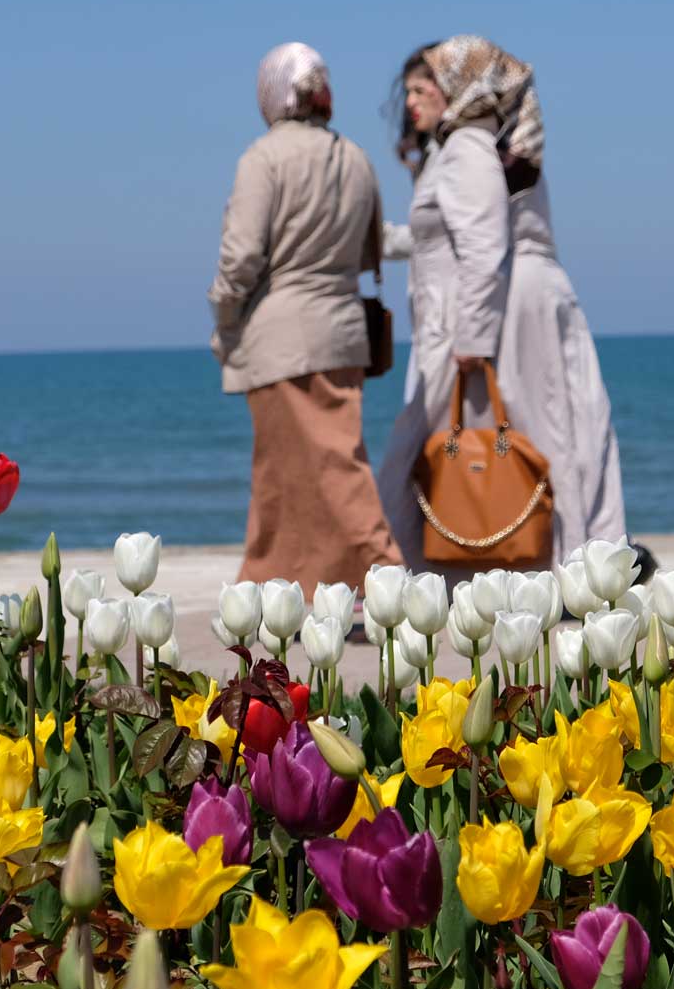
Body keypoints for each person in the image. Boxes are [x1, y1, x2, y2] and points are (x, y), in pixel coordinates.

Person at [377, 35, 628, 568]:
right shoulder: (491, 145)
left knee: (534, 436)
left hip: (502, 306)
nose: (415, 102)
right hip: (510, 300)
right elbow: (442, 237)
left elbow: (482, 244)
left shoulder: (468, 147)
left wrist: (471, 337)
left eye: (426, 87)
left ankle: (547, 564)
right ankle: (572, 561)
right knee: (557, 432)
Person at [209, 42, 402, 592]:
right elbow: (370, 250)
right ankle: (284, 588)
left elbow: (241, 256)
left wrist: (223, 315)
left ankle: (384, 577)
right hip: (342, 330)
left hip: (280, 333)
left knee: (303, 473)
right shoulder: (355, 156)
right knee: (302, 470)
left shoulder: (263, 158)